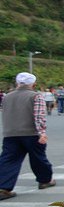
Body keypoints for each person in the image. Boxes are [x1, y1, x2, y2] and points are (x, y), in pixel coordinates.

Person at [0, 72, 55, 200]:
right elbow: (39, 116)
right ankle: (45, 180)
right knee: (38, 158)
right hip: (31, 133)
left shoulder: (7, 96)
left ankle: (3, 187)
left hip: (11, 133)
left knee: (8, 160)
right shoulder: (35, 96)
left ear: (17, 83)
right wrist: (42, 133)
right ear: (33, 84)